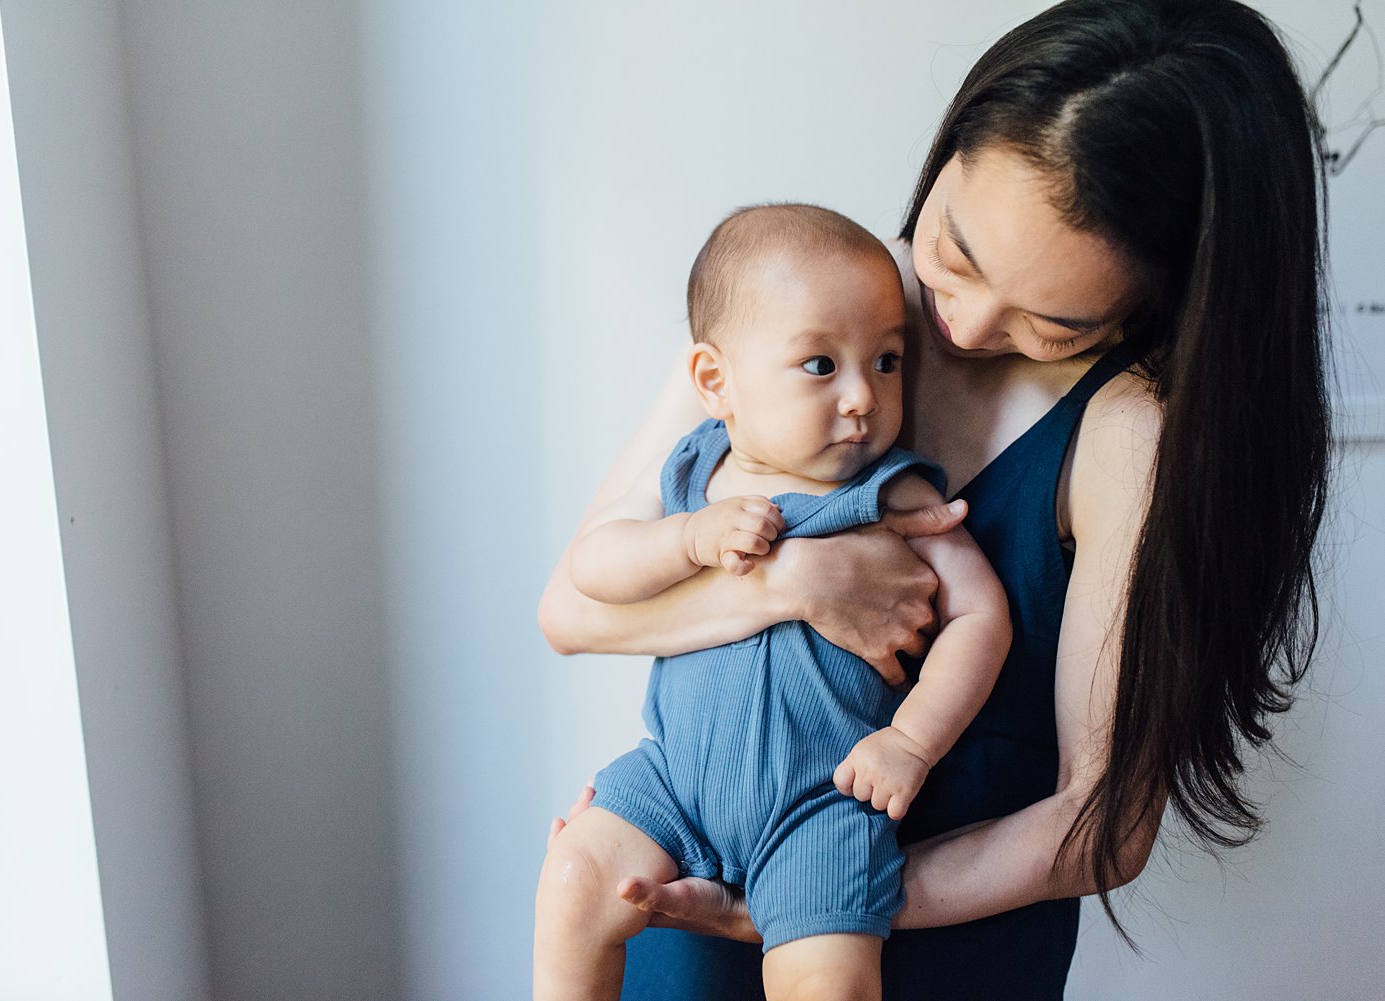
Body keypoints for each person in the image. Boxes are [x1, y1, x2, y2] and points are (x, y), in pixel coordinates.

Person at [537, 0, 1331, 997]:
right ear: (954, 144)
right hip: (683, 923)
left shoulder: (1128, 433)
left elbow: (1105, 824)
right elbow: (570, 609)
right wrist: (797, 581)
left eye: (1052, 319)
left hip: (912, 945)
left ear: (1160, 301)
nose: (958, 317)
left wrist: (818, 898)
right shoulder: (812, 291)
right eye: (956, 248)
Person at [533, 204, 1012, 1001]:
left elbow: (980, 615)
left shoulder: (892, 489)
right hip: (675, 780)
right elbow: (593, 569)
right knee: (575, 874)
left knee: (826, 981)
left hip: (819, 805)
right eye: (821, 365)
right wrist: (686, 540)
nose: (863, 395)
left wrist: (912, 743)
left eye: (887, 360)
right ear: (715, 381)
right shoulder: (692, 475)